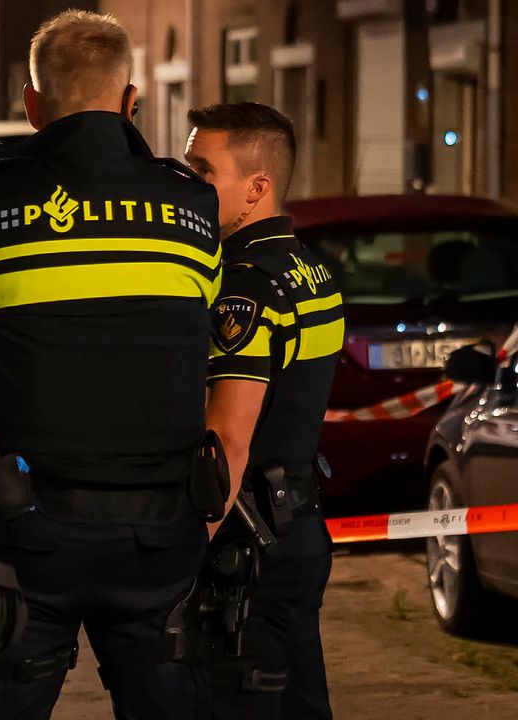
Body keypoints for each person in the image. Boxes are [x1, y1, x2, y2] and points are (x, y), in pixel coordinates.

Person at [0, 11, 223, 719]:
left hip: (26, 531)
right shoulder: (191, 206)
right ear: (131, 100)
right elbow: (202, 333)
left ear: (33, 104)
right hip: (160, 531)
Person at [185, 102, 344, 719]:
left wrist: (184, 555)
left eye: (204, 170)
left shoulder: (245, 285)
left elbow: (228, 438)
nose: (189, 182)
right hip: (297, 525)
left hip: (246, 546)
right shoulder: (313, 269)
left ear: (257, 188)